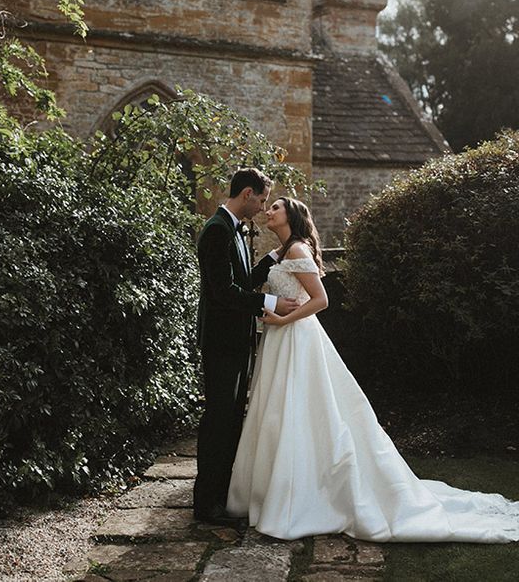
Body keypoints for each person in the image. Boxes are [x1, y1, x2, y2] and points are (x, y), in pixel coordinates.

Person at [226, 196, 519, 542]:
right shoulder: (285, 251)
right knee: (276, 412)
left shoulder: (297, 251)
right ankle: (270, 490)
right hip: (281, 338)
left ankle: (298, 495)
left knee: (297, 412)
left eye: (275, 207)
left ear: (290, 215)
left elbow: (321, 300)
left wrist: (283, 318)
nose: (268, 211)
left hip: (296, 338)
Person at [193, 168, 298, 525]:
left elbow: (242, 280)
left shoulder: (235, 231)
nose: (263, 207)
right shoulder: (217, 231)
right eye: (263, 200)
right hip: (221, 343)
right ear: (248, 193)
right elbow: (222, 293)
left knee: (231, 419)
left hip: (236, 341)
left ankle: (222, 497)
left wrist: (274, 258)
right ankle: (206, 504)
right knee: (218, 421)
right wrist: (269, 305)